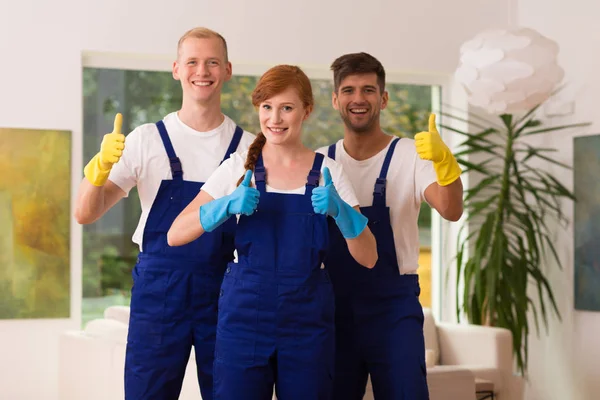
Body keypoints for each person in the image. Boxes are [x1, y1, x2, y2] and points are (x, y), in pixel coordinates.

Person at [167, 64, 379, 400]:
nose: (275, 119)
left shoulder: (327, 172)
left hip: (307, 322)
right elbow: (175, 234)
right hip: (245, 318)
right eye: (267, 107)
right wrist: (225, 206)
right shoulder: (240, 167)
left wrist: (342, 213)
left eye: (287, 108)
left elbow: (368, 257)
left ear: (306, 111)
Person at [73, 27, 255, 400]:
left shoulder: (250, 149)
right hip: (160, 291)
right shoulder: (145, 140)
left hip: (226, 291)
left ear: (227, 70)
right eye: (192, 61)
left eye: (212, 62)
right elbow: (84, 213)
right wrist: (99, 168)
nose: (201, 71)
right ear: (176, 68)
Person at [318, 52, 464, 400]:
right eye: (349, 90)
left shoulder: (411, 155)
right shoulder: (321, 162)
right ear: (336, 99)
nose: (358, 99)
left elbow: (450, 209)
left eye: (368, 90)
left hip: (393, 308)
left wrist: (446, 164)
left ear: (383, 98)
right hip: (334, 306)